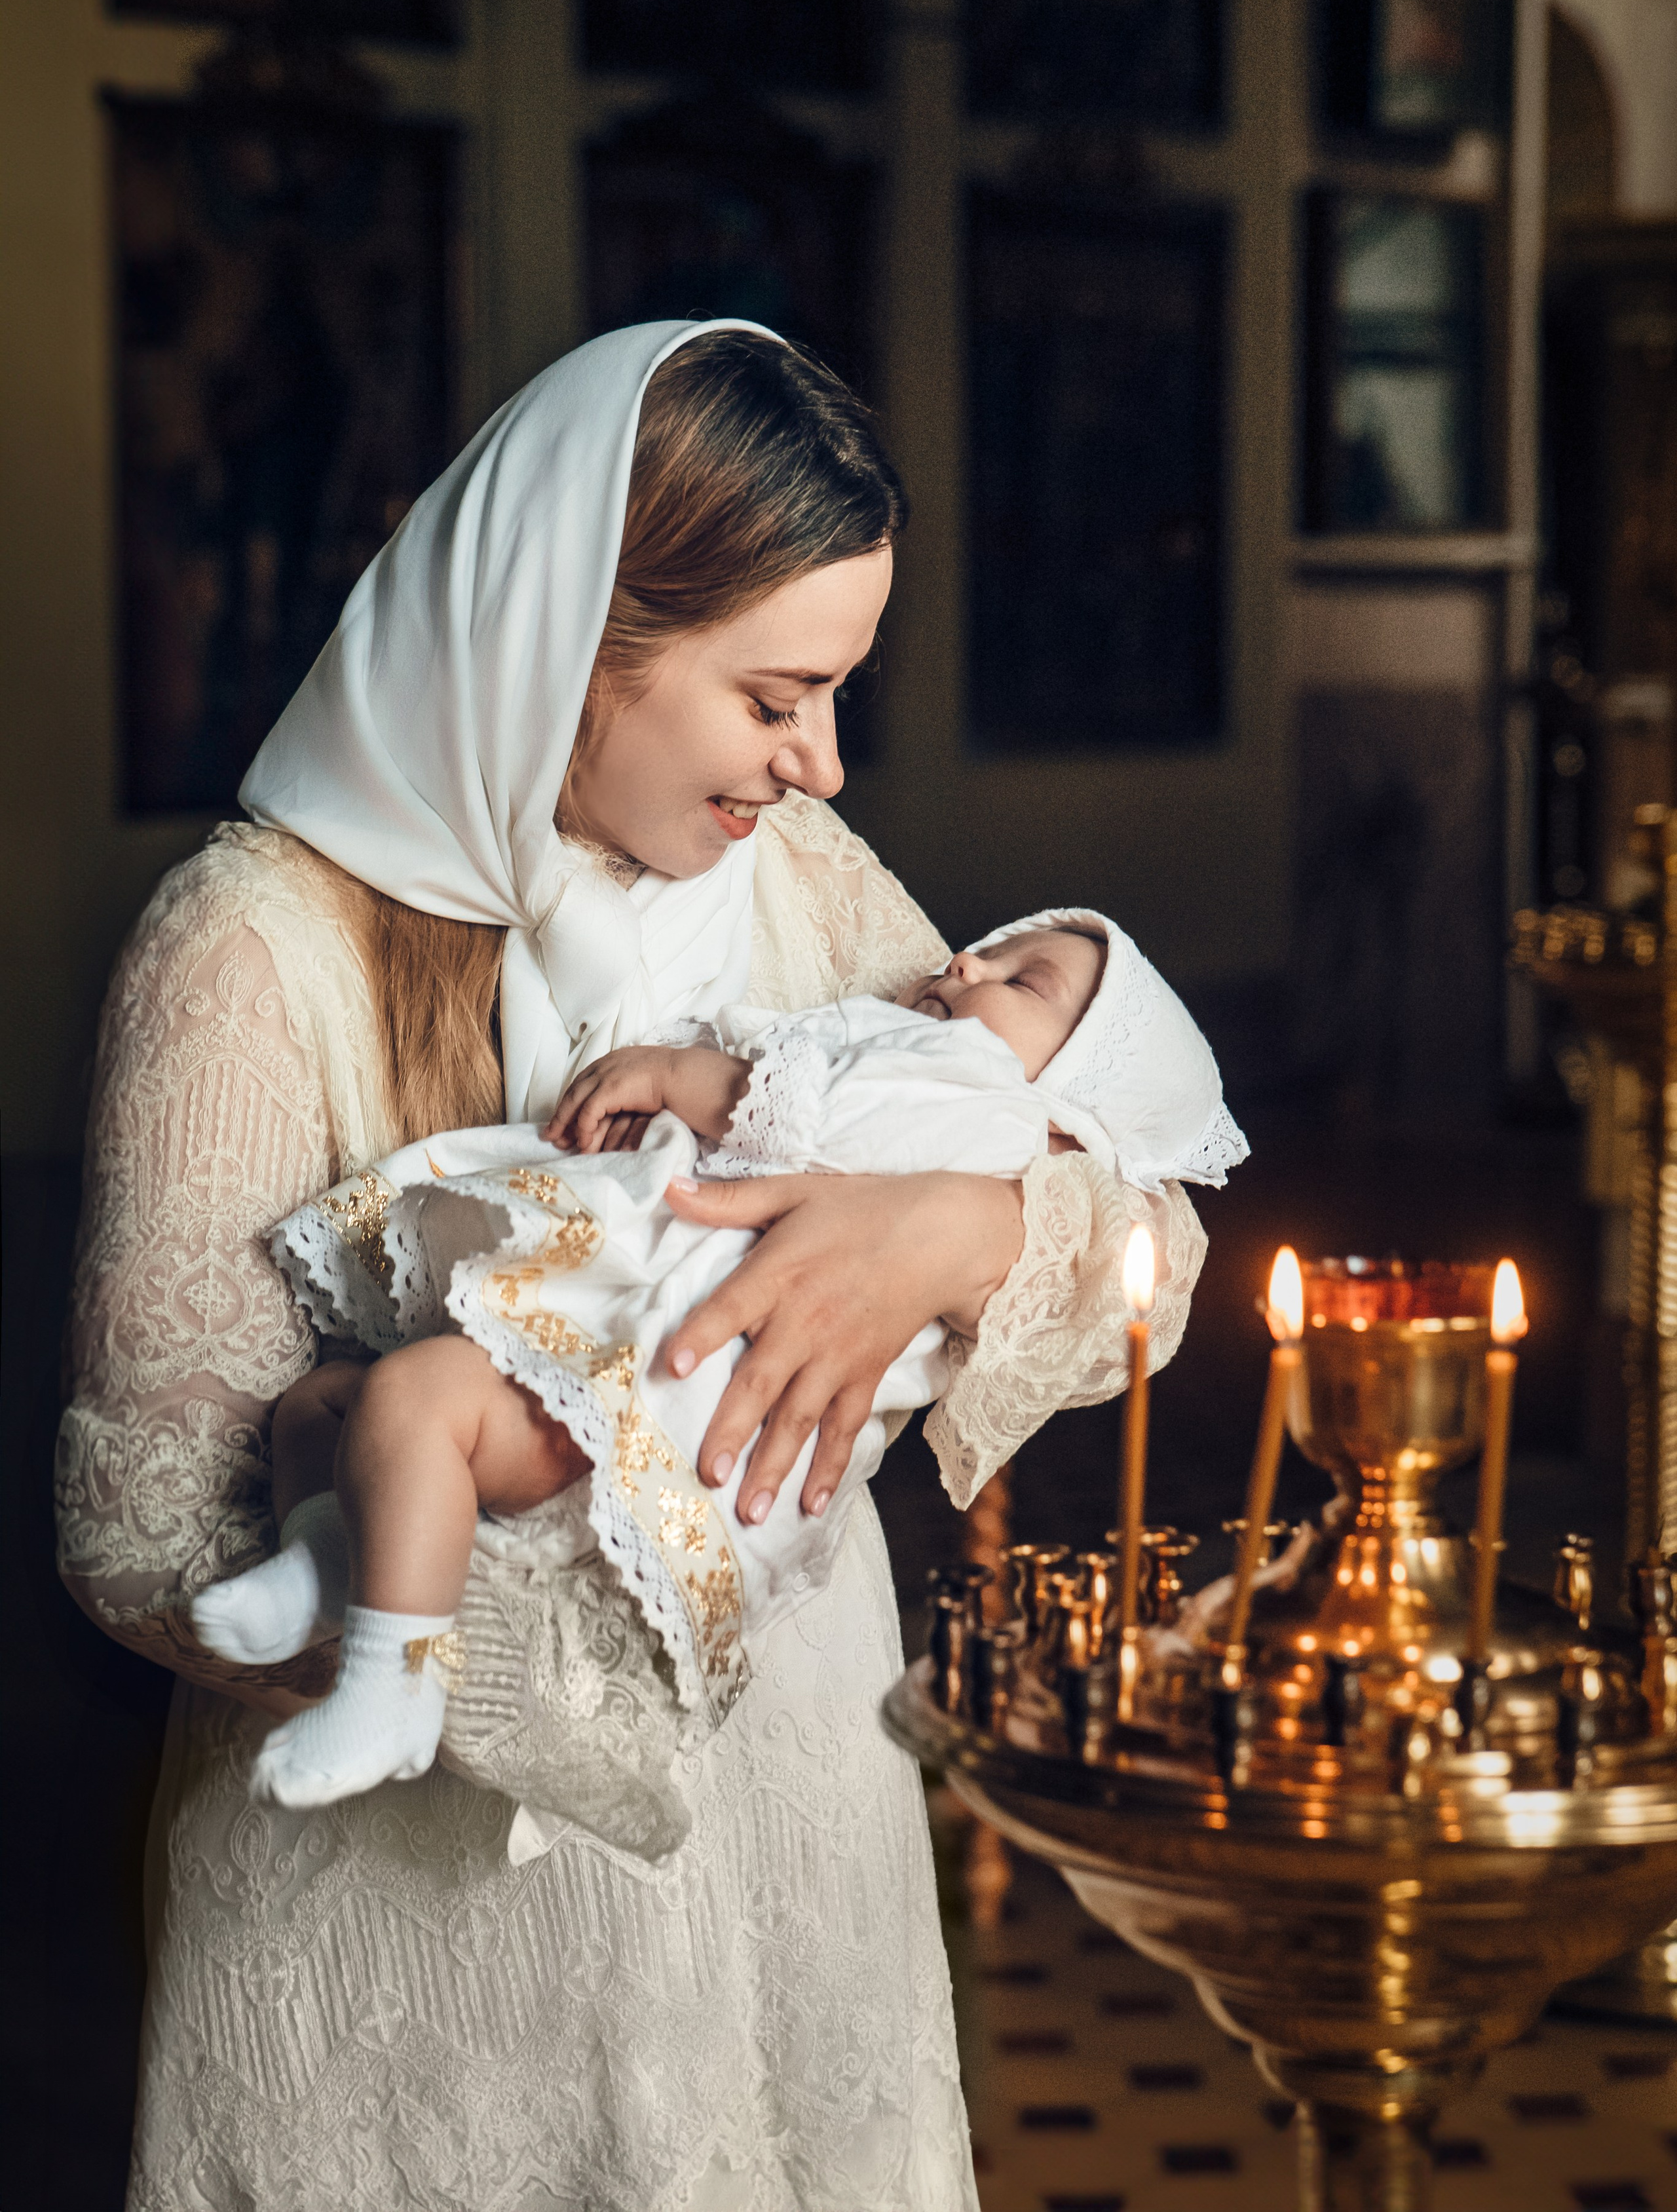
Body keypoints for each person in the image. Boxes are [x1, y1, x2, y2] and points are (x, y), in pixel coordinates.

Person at [58, 320, 1226, 2212]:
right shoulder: (248, 949)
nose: (821, 761)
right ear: (569, 639)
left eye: (839, 694)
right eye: (775, 696)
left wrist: (948, 1232)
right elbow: (136, 1533)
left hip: (796, 1852)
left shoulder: (800, 887)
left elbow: (1153, 1225)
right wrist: (515, 1585)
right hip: (414, 1942)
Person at [192, 913, 1243, 1812]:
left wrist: (683, 1075)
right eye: (982, 953)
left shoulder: (985, 1101)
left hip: (666, 1394)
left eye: (1024, 983)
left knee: (411, 1404)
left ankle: (394, 1682)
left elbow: (819, 1114)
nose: (966, 965)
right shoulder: (949, 1062)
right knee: (326, 1413)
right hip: (631, 1348)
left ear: (1076, 1103)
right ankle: (341, 1567)